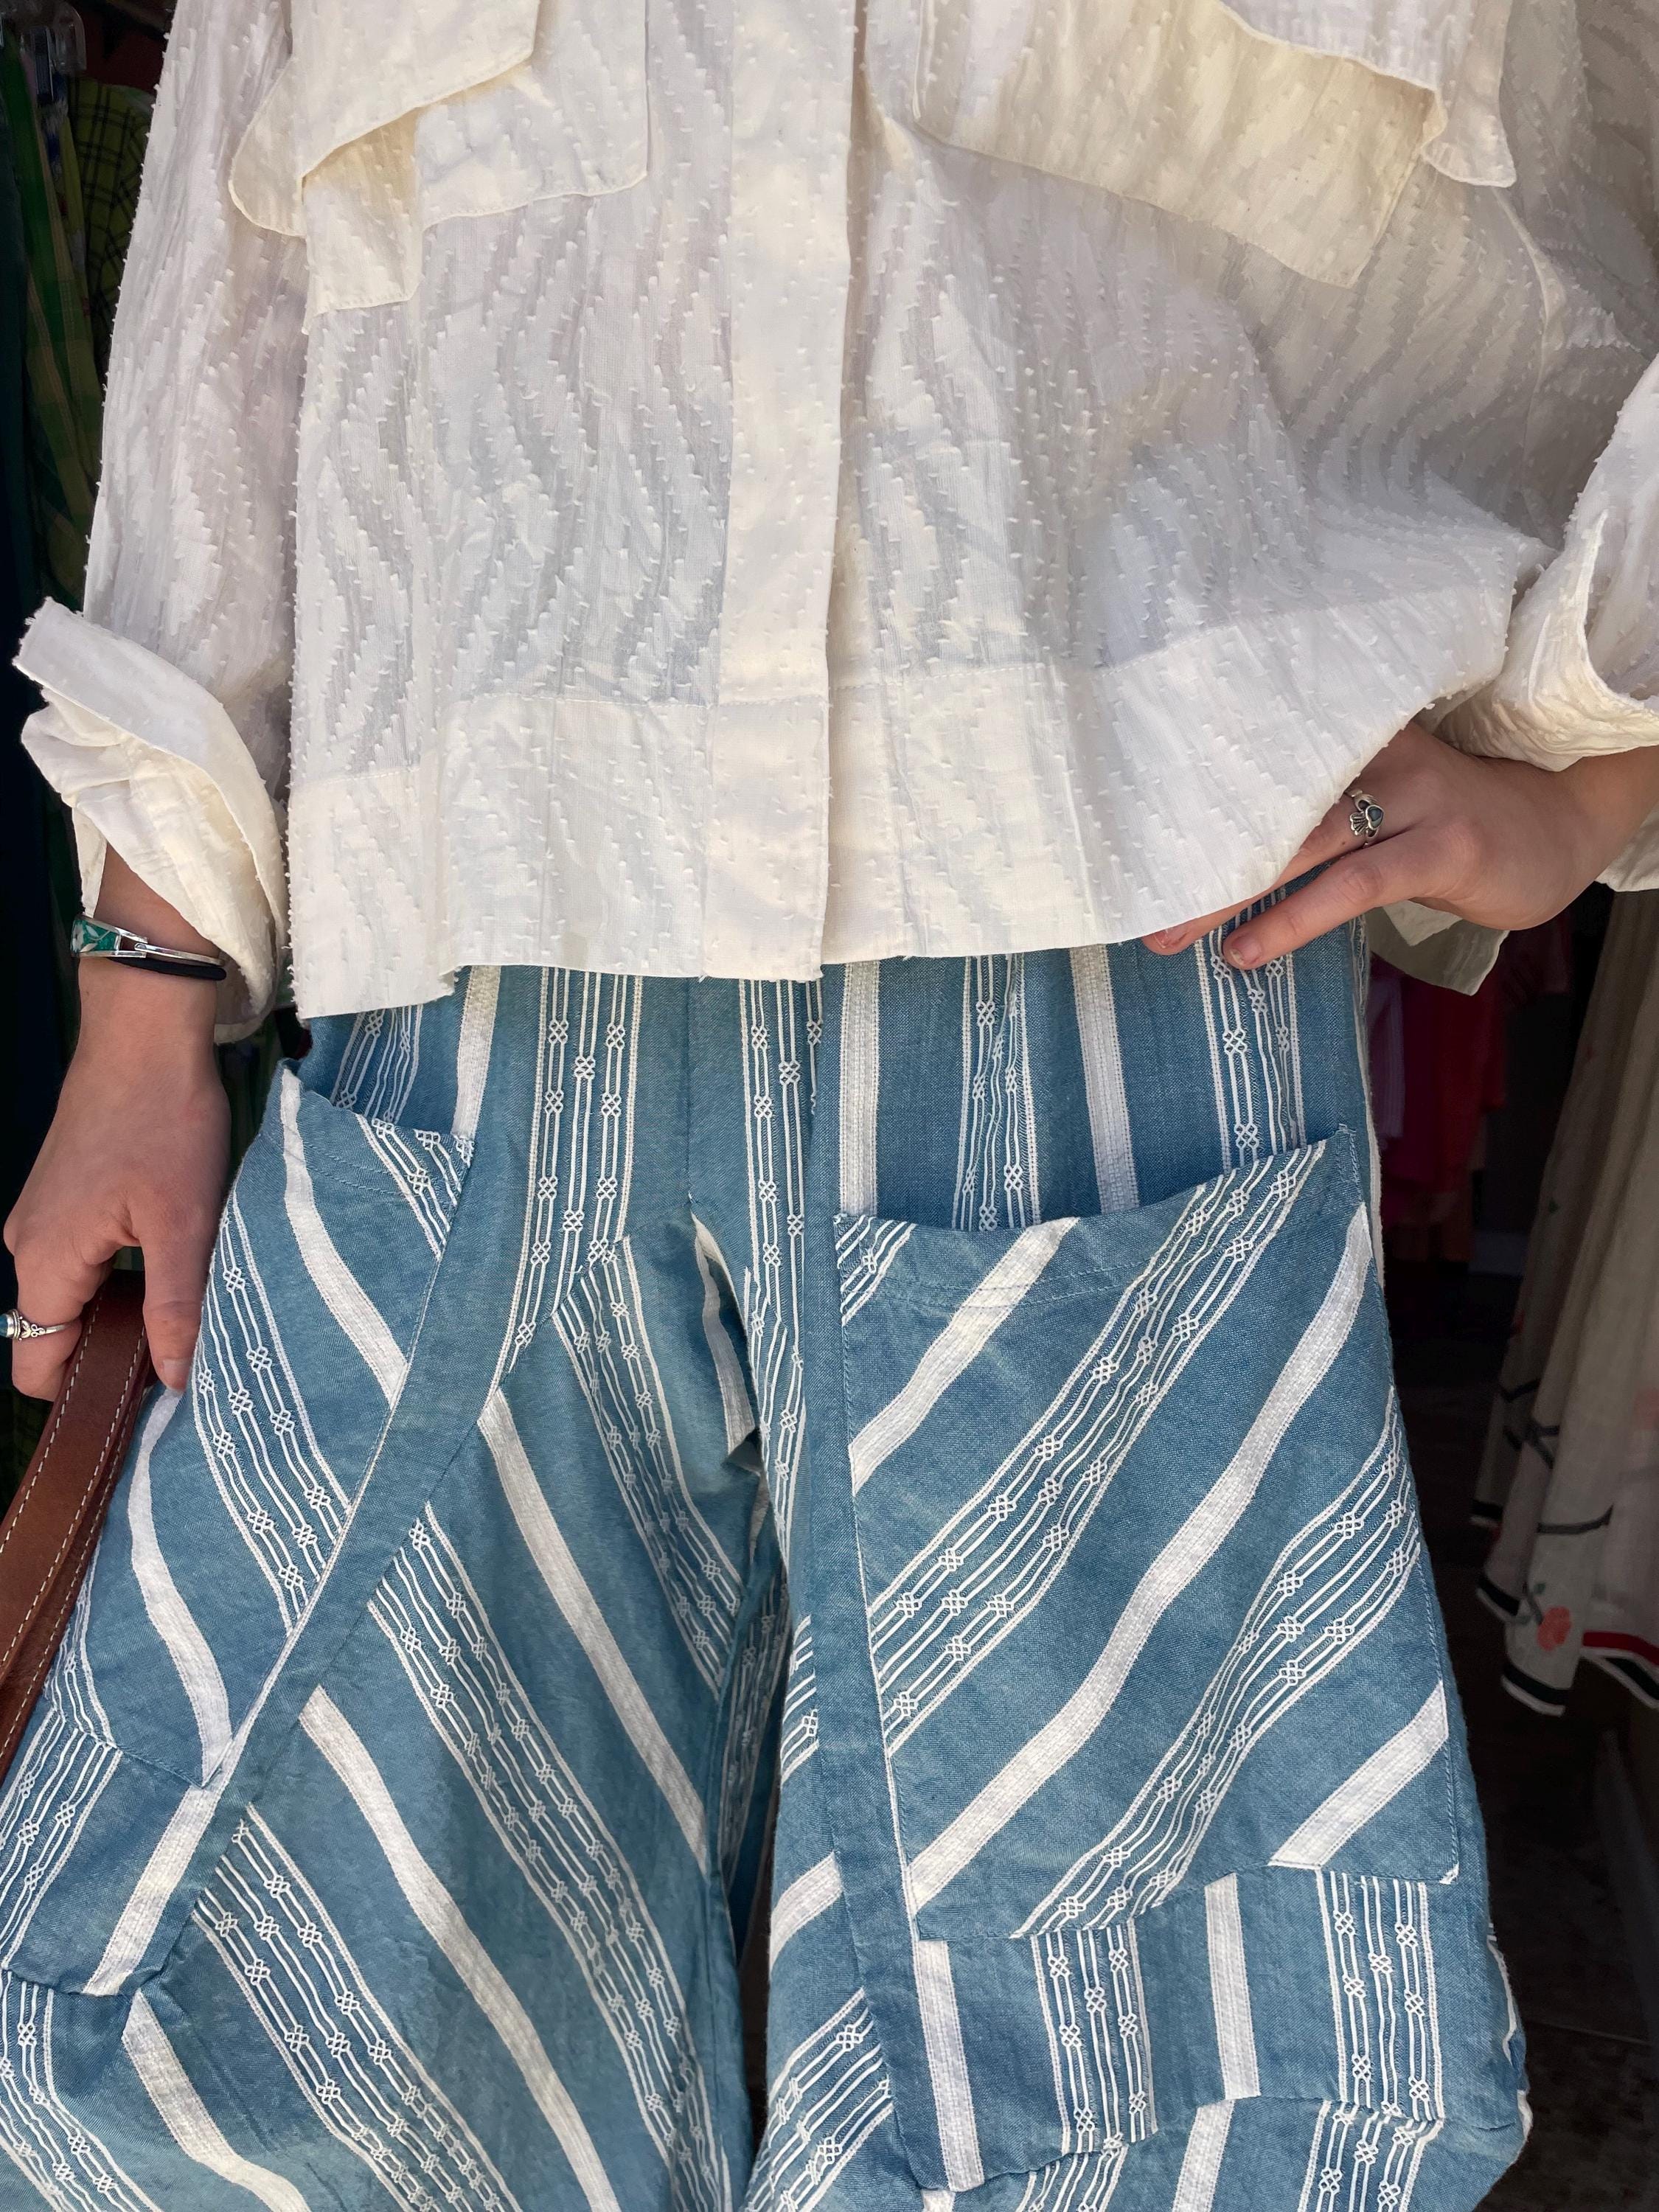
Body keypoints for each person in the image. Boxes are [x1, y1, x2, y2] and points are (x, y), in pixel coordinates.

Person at [4, 1, 1659, 2205]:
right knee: (236, 2059)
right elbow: (248, 287)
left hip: (1124, 972)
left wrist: (1596, 769)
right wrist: (140, 999)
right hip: (475, 997)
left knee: (1131, 2113)